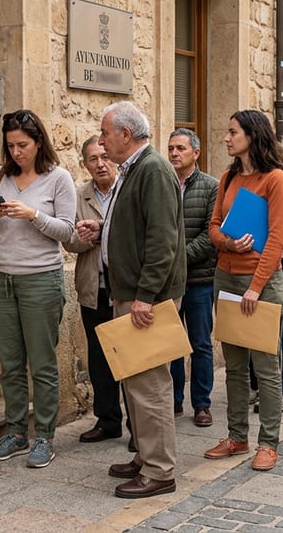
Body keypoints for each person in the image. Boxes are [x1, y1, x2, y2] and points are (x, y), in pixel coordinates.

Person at [76, 101, 186, 499]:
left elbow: (162, 239)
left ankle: (160, 470)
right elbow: (138, 225)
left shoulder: (153, 169)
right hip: (131, 293)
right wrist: (104, 229)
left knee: (150, 385)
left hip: (144, 299)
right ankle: (145, 456)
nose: (102, 141)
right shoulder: (136, 168)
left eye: (105, 133)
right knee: (135, 383)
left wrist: (145, 296)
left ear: (125, 134)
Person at [0, 109, 77, 469]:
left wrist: (33, 215)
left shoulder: (58, 179)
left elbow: (68, 231)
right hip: (0, 279)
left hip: (40, 279)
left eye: (23, 145)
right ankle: (16, 431)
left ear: (39, 143)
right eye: (11, 146)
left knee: (43, 362)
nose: (17, 152)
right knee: (10, 362)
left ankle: (45, 436)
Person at [202, 110, 283, 472]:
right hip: (225, 278)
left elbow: (276, 241)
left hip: (261, 284)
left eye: (232, 131)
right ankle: (237, 437)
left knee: (266, 368)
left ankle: (268, 443)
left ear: (252, 136)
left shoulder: (275, 180)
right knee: (234, 367)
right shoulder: (228, 176)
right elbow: (213, 227)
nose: (226, 137)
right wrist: (228, 243)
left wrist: (255, 287)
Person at [63, 136, 126, 444]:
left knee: (131, 356)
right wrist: (90, 236)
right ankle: (108, 419)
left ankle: (140, 426)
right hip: (94, 288)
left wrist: (104, 233)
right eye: (92, 159)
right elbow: (69, 240)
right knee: (99, 357)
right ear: (85, 165)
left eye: (104, 156)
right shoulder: (78, 196)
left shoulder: (127, 189)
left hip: (125, 289)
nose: (100, 164)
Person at [166, 128, 218, 427]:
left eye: (181, 148)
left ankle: (202, 404)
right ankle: (173, 400)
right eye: (171, 148)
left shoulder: (211, 186)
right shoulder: (162, 182)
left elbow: (210, 234)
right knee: (171, 345)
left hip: (199, 279)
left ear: (195, 153)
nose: (174, 153)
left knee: (200, 344)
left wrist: (177, 259)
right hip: (169, 282)